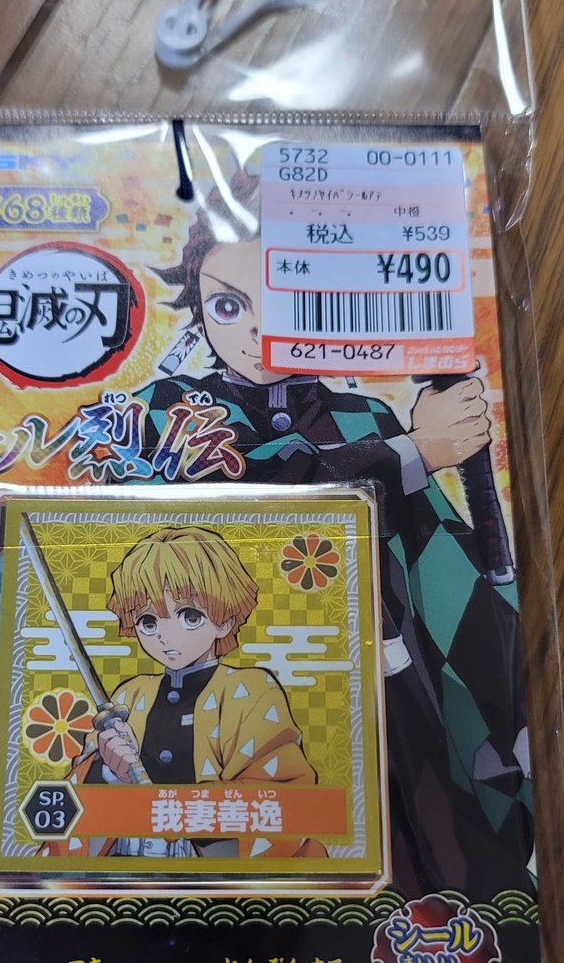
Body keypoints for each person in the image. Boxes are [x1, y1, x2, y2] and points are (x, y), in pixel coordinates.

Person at [138, 171, 533, 897]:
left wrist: (504, 669)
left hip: (386, 679)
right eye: (228, 305)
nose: (256, 331)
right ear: (199, 308)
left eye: (285, 301)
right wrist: (416, 451)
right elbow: (261, 492)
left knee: (431, 846)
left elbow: (435, 556)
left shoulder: (364, 416)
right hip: (226, 687)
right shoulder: (173, 410)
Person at [47, 524, 325, 861]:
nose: (165, 636)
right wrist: (109, 773)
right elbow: (68, 805)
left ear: (225, 619)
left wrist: (180, 810)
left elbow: (283, 796)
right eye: (148, 621)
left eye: (189, 616)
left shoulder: (250, 691)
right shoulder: (130, 695)